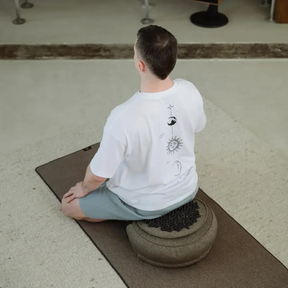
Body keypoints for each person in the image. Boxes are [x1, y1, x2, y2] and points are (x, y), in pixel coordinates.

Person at [61, 25, 206, 222]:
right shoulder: (190, 90)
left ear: (140, 65)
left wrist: (83, 188)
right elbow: (197, 127)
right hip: (189, 189)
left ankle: (124, 211)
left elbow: (97, 176)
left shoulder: (123, 116)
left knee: (68, 206)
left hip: (147, 204)